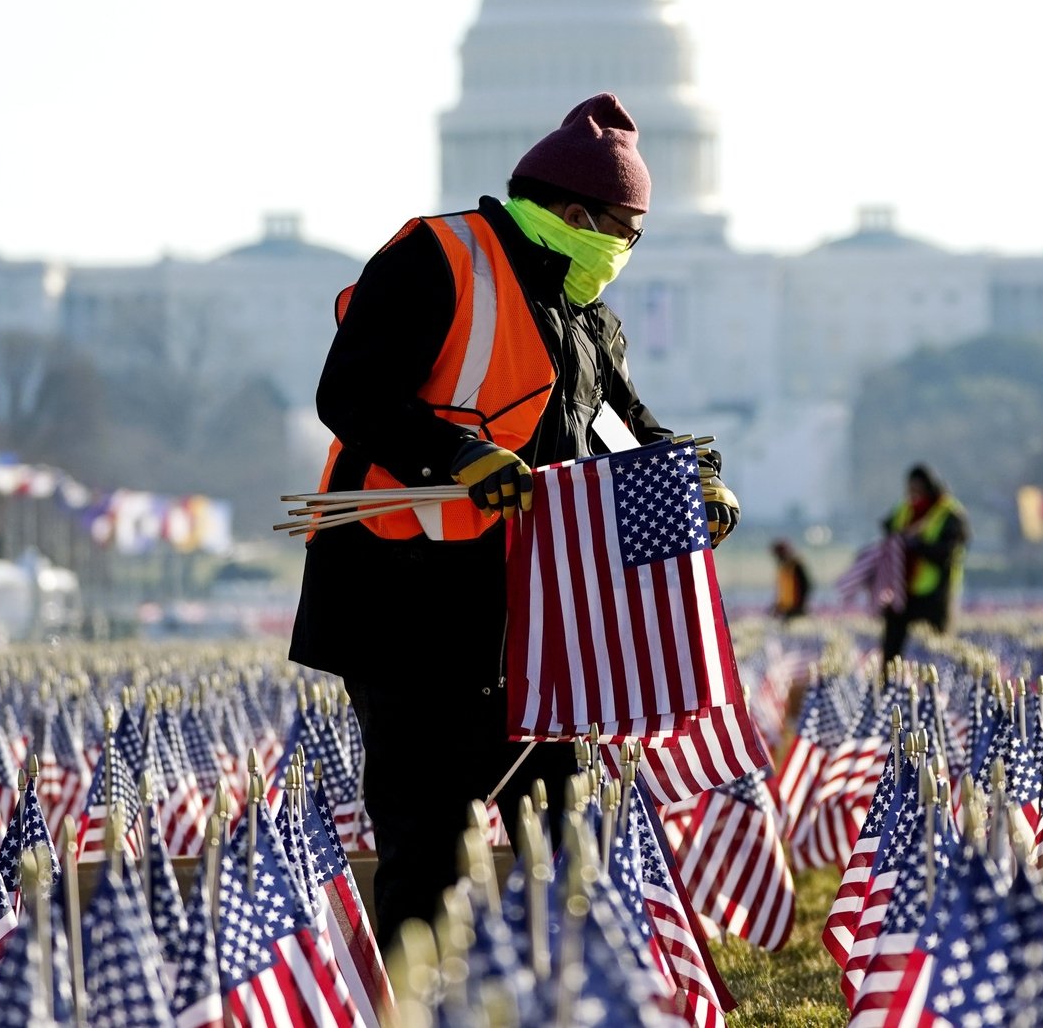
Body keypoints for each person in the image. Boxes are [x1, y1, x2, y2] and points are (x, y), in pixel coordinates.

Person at [288, 93, 741, 946]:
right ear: (576, 214)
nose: (627, 253)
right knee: (427, 848)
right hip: (409, 608)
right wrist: (456, 457)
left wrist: (699, 482)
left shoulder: (585, 318)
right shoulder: (437, 256)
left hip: (534, 623)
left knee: (563, 833)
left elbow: (625, 432)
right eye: (626, 231)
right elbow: (347, 394)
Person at [879, 465, 969, 663]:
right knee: (892, 647)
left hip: (936, 591)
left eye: (918, 489)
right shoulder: (904, 509)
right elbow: (887, 529)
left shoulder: (949, 513)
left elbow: (950, 552)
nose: (914, 495)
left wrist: (918, 545)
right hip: (903, 590)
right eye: (911, 489)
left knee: (937, 649)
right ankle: (890, 682)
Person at [771, 539, 813, 619]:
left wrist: (800, 604)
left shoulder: (796, 566)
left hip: (796, 607)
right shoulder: (784, 568)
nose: (778, 557)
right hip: (786, 608)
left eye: (779, 553)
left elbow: (805, 586)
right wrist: (779, 605)